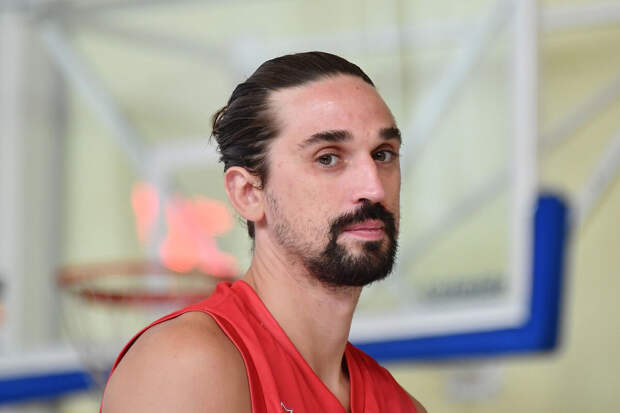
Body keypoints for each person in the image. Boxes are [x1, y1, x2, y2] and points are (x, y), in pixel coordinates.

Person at [101, 51, 426, 413]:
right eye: (328, 158)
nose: (374, 188)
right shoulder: (185, 364)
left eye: (383, 154)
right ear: (248, 193)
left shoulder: (402, 406)